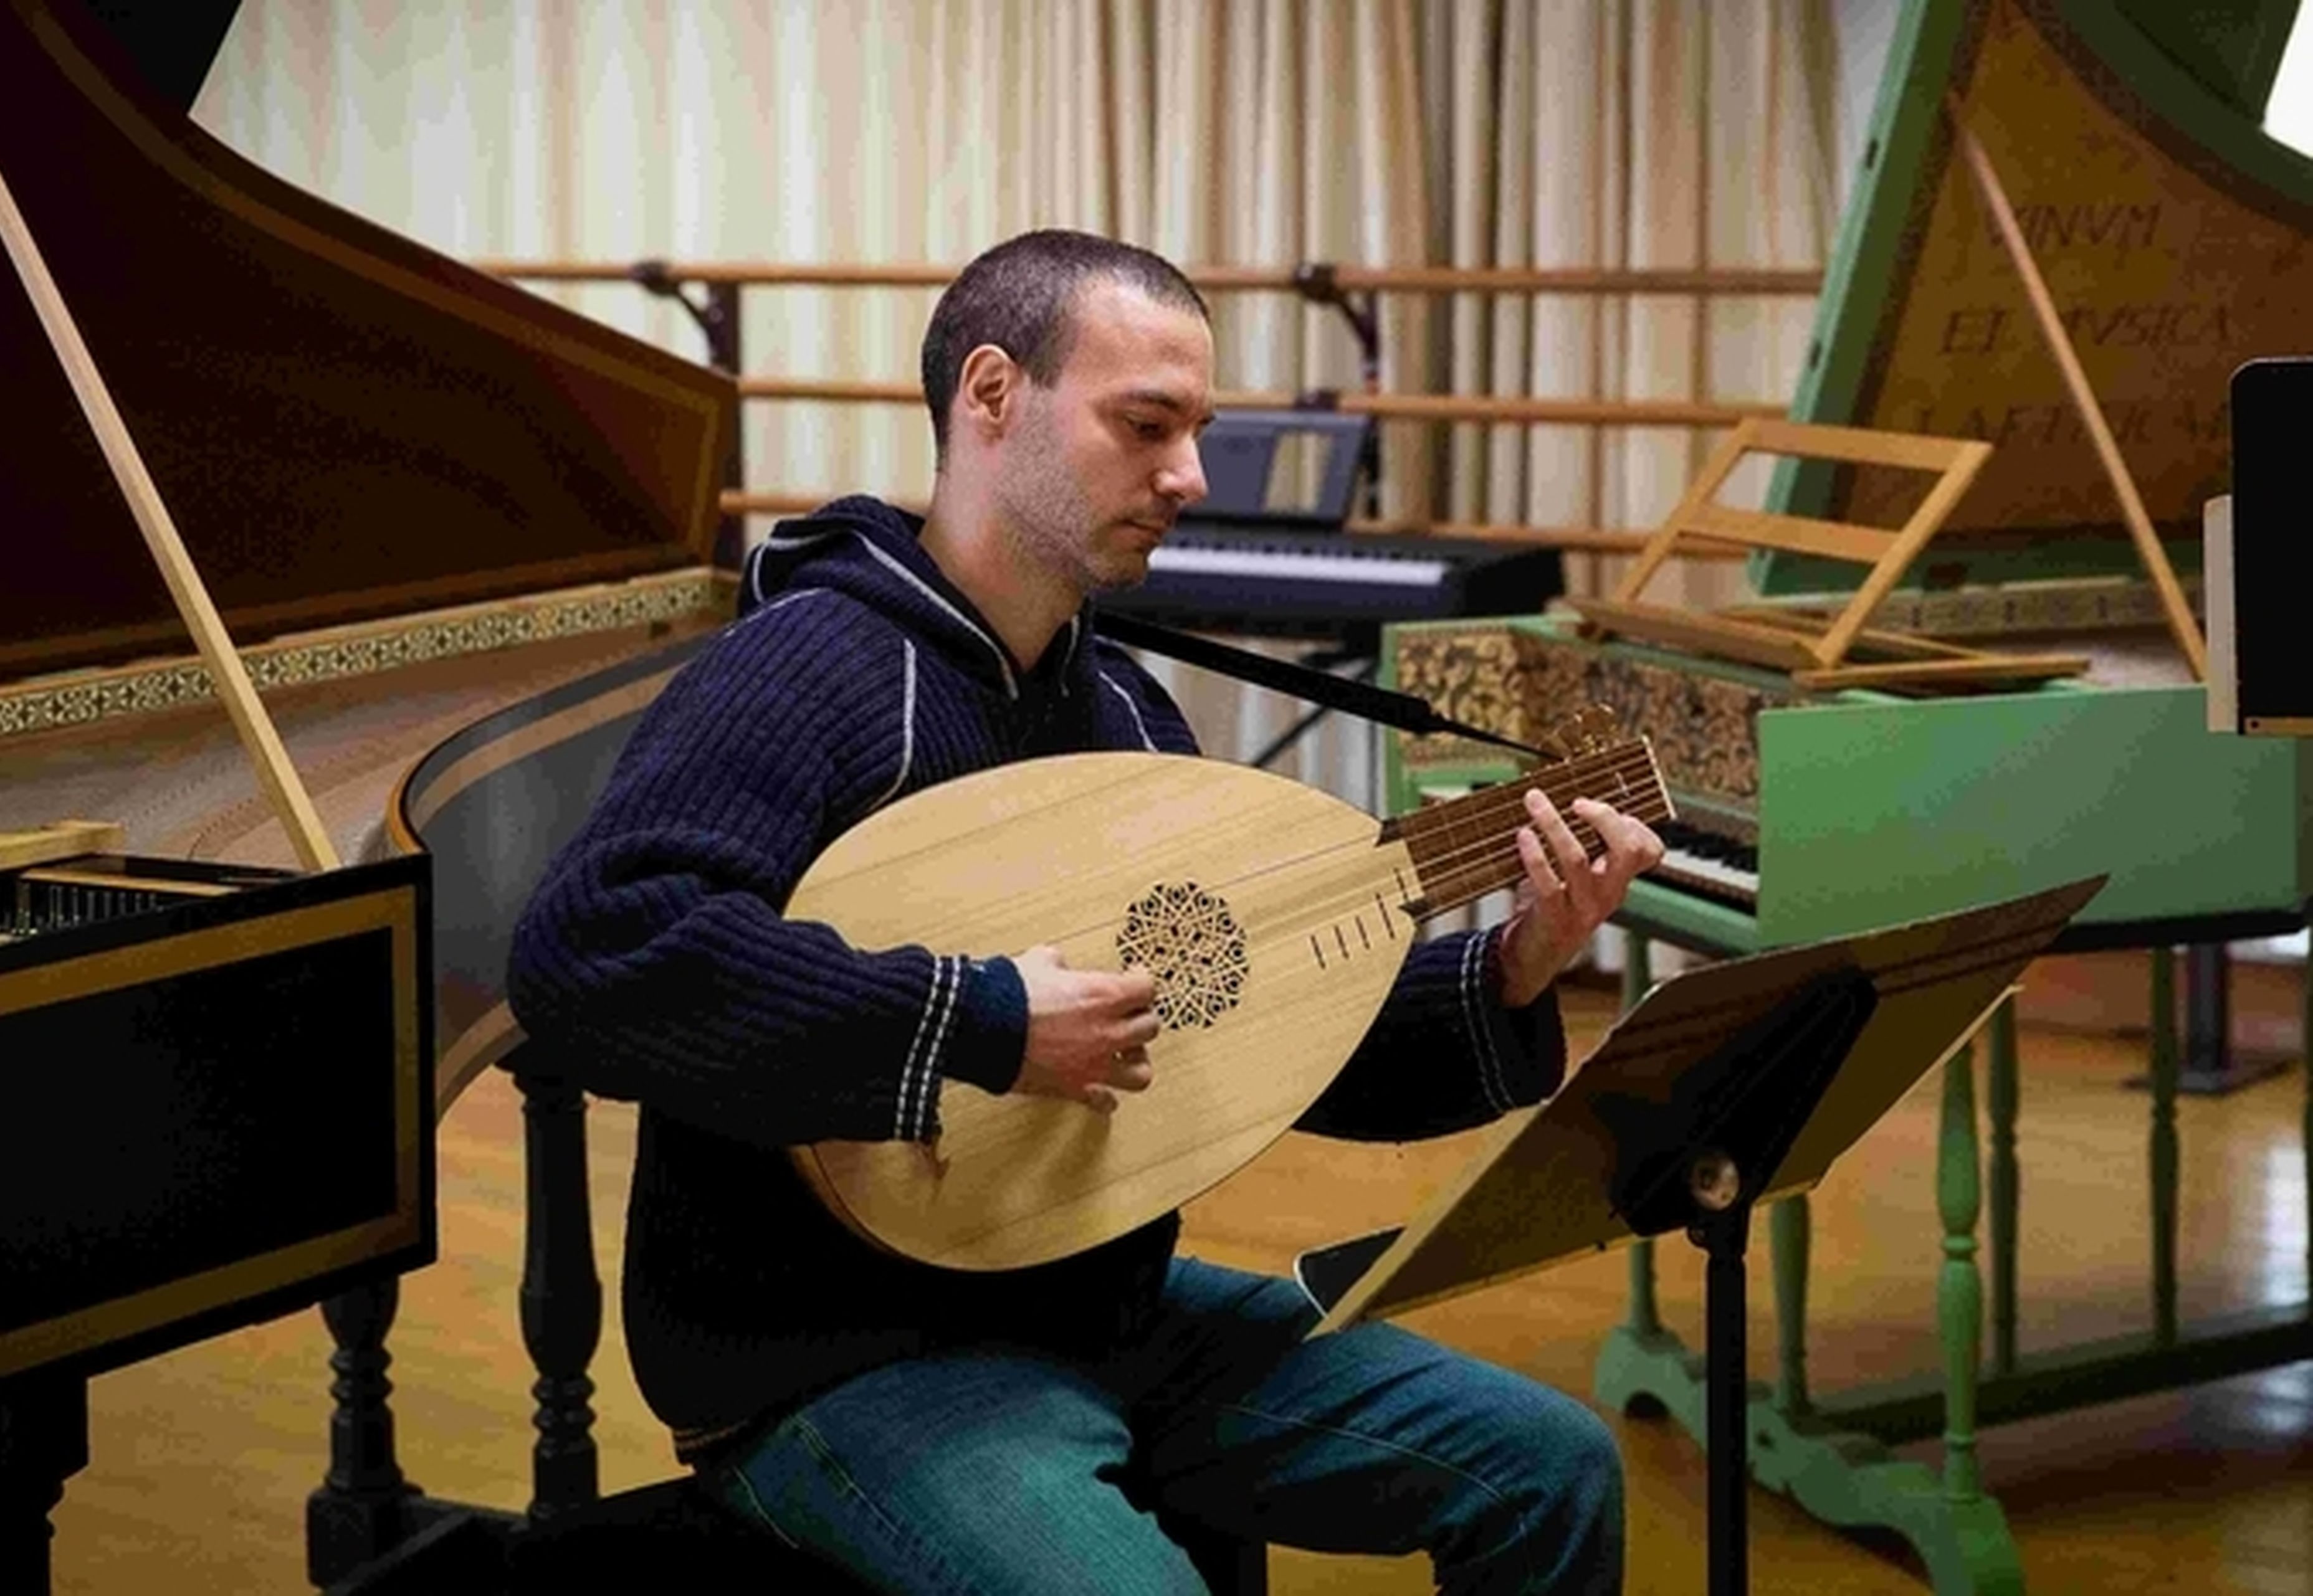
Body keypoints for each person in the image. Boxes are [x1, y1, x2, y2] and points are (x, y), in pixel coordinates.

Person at [508, 228, 1665, 1595]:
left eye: (1198, 432)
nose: (1190, 476)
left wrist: (1512, 967)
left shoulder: (1124, 709)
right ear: (993, 394)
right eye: (1147, 426)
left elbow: (1244, 1023)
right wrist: (987, 1021)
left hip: (1103, 1303)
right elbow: (592, 950)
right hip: (837, 1356)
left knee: (1550, 1468)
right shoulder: (805, 669)